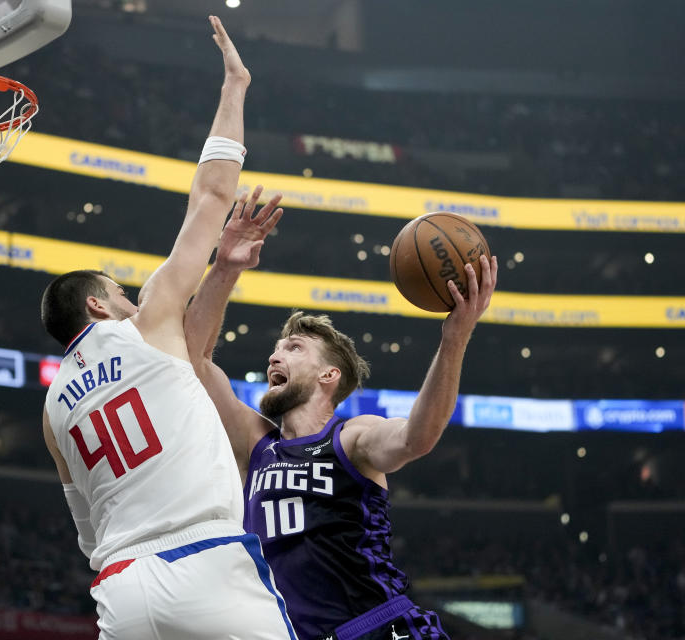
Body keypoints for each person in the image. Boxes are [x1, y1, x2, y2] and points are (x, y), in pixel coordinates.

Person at [40, 17, 295, 640]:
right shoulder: (146, 322)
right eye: (118, 294)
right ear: (97, 306)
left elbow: (87, 531)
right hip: (204, 563)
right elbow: (211, 197)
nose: (131, 299)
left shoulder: (51, 411)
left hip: (122, 589)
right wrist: (235, 87)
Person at [184, 188, 498, 640]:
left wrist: (455, 337)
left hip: (380, 628)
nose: (275, 357)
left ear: (329, 375)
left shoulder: (352, 438)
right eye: (276, 349)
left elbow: (417, 437)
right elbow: (192, 359)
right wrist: (226, 267)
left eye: (293, 348)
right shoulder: (256, 444)